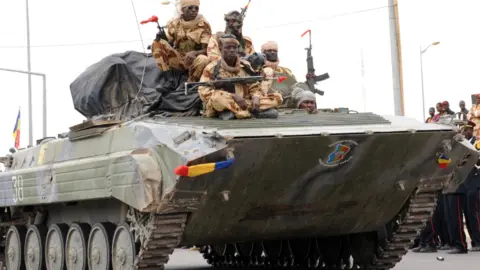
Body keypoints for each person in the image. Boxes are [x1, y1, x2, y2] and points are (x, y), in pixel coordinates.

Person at [198, 34, 282, 120]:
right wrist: (232, 96)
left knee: (277, 98)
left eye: (235, 47)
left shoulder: (245, 65)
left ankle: (235, 112)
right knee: (217, 98)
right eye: (228, 48)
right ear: (220, 49)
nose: (232, 50)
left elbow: (255, 86)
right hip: (224, 101)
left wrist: (256, 97)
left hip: (244, 101)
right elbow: (203, 92)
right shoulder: (212, 68)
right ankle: (249, 113)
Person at [150, 0, 212, 82]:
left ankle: (191, 83)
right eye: (190, 8)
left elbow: (207, 50)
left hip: (194, 60)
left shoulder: (204, 25)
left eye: (196, 8)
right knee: (157, 43)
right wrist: (162, 38)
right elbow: (169, 42)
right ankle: (169, 80)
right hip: (179, 58)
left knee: (204, 59)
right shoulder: (174, 23)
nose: (194, 10)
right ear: (182, 10)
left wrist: (195, 53)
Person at [259, 41, 317, 112]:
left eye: (275, 51)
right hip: (264, 104)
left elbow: (295, 89)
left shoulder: (285, 71)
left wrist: (308, 82)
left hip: (286, 108)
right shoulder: (257, 71)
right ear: (263, 53)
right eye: (269, 50)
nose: (272, 52)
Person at [461, 121, 480, 251]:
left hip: (476, 180)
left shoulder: (476, 144)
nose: (465, 133)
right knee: (470, 214)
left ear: (472, 130)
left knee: (476, 213)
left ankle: (478, 241)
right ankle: (474, 240)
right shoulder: (463, 146)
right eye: (464, 130)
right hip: (467, 182)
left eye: (467, 130)